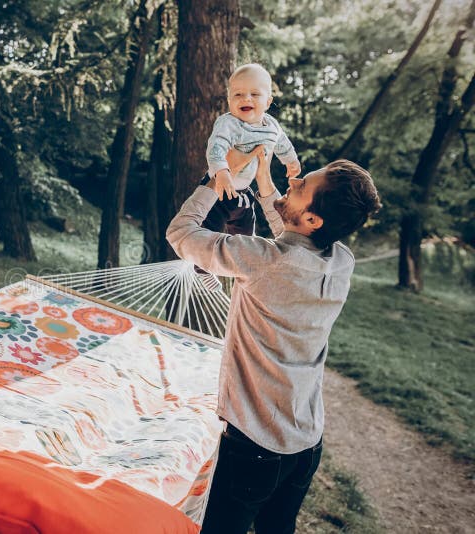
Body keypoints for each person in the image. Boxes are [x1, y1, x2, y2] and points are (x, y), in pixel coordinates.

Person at [166, 148, 381, 534]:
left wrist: (215, 180)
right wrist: (269, 187)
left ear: (314, 218)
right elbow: (293, 235)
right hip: (306, 444)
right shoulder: (340, 261)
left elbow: (180, 234)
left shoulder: (262, 260)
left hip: (254, 447)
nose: (294, 181)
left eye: (301, 185)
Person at [203, 63, 301, 237]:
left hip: (243, 191)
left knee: (245, 233)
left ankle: (241, 260)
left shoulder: (271, 126)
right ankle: (202, 265)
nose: (246, 98)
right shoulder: (229, 123)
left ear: (268, 102)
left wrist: (291, 161)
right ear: (229, 101)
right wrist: (222, 171)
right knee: (208, 233)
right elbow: (216, 146)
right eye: (238, 94)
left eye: (254, 94)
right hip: (218, 187)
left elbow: (282, 143)